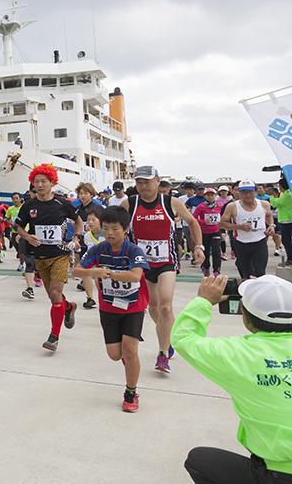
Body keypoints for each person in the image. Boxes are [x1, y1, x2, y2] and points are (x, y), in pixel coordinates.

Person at [173, 274, 292, 483]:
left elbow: (184, 338)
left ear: (245, 317)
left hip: (279, 474)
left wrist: (203, 301)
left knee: (199, 460)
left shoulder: (237, 354)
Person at [121, 165, 204, 374]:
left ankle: (163, 353)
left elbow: (192, 222)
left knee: (166, 307)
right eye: (139, 182)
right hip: (142, 263)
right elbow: (114, 226)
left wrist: (198, 246)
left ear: (158, 181)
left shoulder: (170, 202)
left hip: (166, 262)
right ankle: (168, 336)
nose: (143, 186)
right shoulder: (129, 203)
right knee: (154, 308)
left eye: (147, 182)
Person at [73, 206, 150, 412]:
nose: (109, 233)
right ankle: (129, 361)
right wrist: (94, 271)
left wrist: (108, 274)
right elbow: (76, 271)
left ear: (125, 229)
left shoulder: (134, 250)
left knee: (130, 350)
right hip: (109, 308)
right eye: (105, 228)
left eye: (115, 229)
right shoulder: (98, 249)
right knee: (115, 355)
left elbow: (135, 275)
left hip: (134, 306)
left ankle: (131, 392)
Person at [15, 164, 83, 352]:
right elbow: (18, 227)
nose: (40, 185)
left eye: (44, 181)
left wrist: (77, 237)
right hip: (40, 257)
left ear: (52, 182)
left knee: (54, 293)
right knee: (55, 297)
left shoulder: (62, 203)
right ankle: (68, 307)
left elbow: (78, 221)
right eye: (36, 182)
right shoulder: (28, 205)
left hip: (60, 255)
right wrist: (27, 236)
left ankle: (54, 336)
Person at [220, 180, 274, 280]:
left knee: (260, 273)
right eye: (244, 192)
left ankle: (260, 294)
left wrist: (271, 225)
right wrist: (239, 227)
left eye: (250, 192)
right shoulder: (232, 206)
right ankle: (248, 293)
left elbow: (268, 215)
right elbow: (222, 224)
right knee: (247, 273)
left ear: (255, 192)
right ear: (239, 193)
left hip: (260, 242)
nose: (247, 195)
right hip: (241, 243)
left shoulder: (264, 204)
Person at [193, 187, 225, 277]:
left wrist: (222, 230)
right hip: (204, 232)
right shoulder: (201, 206)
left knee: (216, 251)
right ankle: (206, 267)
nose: (210, 197)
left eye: (212, 195)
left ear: (215, 196)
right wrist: (203, 222)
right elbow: (194, 218)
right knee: (206, 251)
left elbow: (223, 219)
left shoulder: (219, 206)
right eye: (208, 195)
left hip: (216, 231)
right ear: (205, 196)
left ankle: (216, 270)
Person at [270, 177, 291, 266]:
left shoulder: (287, 194)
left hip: (287, 220)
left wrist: (272, 197)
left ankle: (290, 258)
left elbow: (277, 203)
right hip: (286, 219)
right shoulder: (285, 193)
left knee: (286, 240)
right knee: (287, 240)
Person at [5, 193, 25, 271]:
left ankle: (21, 264)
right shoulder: (10, 209)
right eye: (13, 198)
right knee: (16, 246)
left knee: (21, 249)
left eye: (17, 198)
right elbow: (7, 218)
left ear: (20, 199)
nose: (15, 200)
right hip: (14, 230)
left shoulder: (24, 208)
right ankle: (20, 255)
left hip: (23, 231)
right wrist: (10, 222)